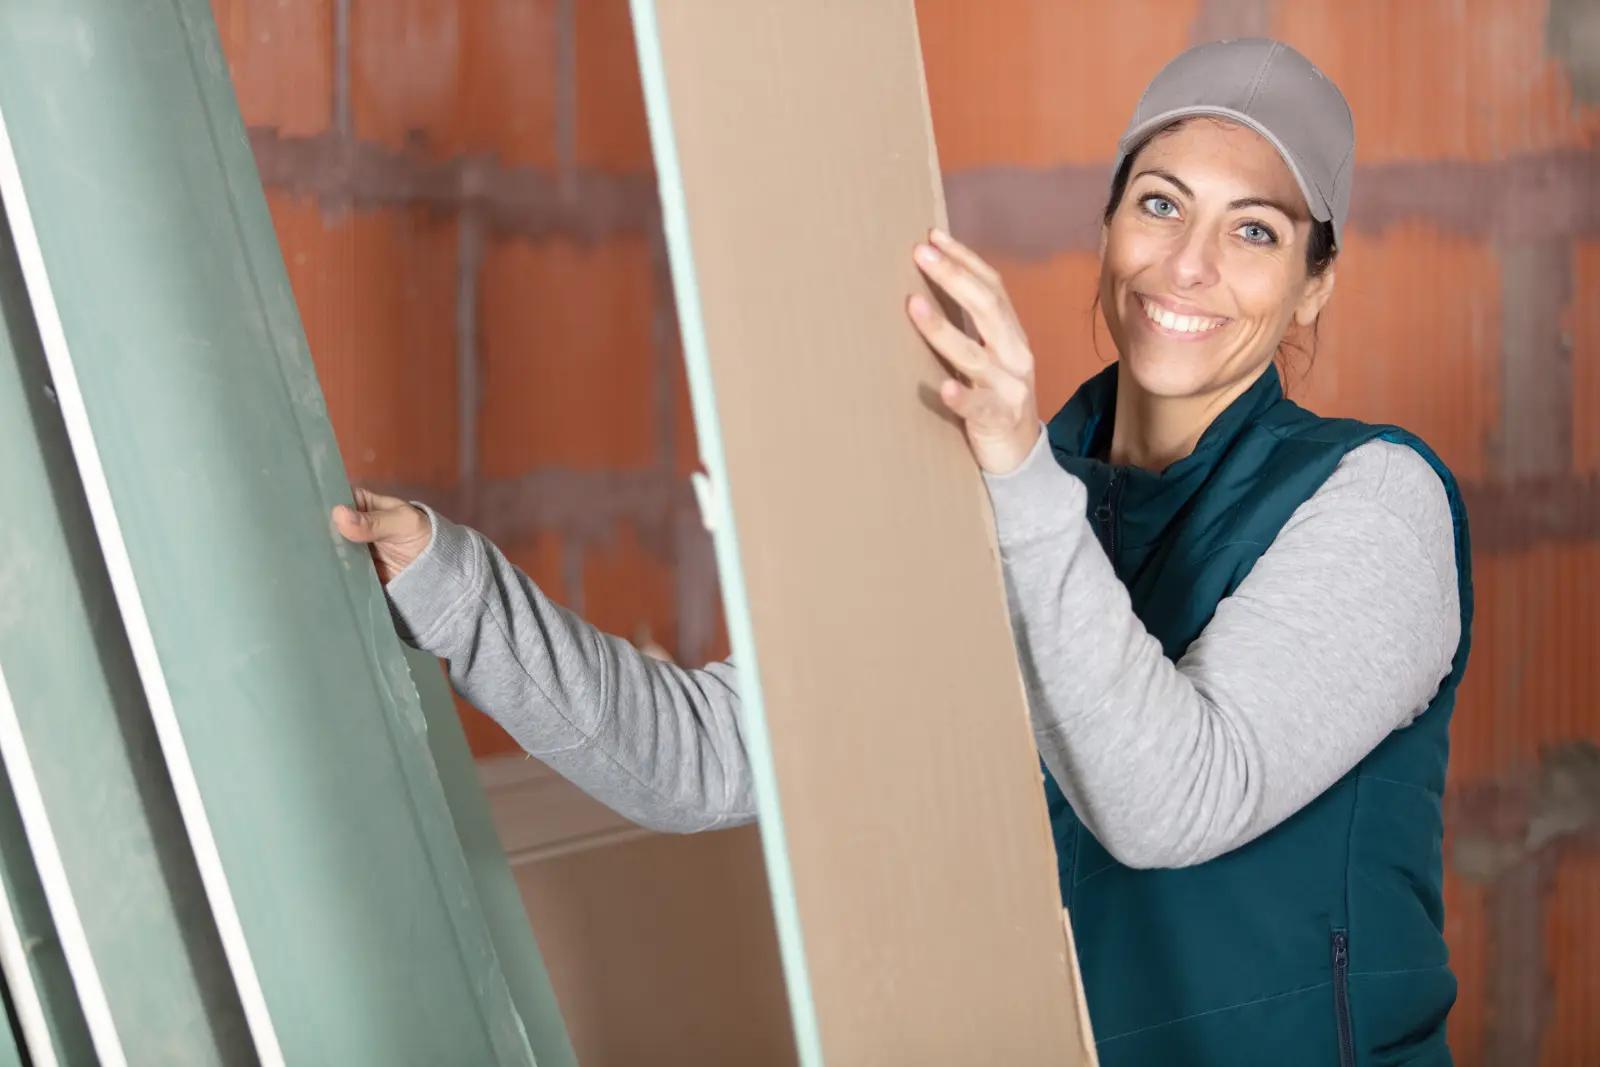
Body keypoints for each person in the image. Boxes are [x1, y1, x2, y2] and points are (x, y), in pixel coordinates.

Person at [333, 38, 1470, 1067]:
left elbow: (1168, 799)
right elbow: (703, 759)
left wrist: (1020, 478)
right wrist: (450, 581)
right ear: (1110, 221)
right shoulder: (1003, 480)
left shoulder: (1373, 502)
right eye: (1161, 204)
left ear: (1317, 278)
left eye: (1255, 230)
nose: (1187, 265)